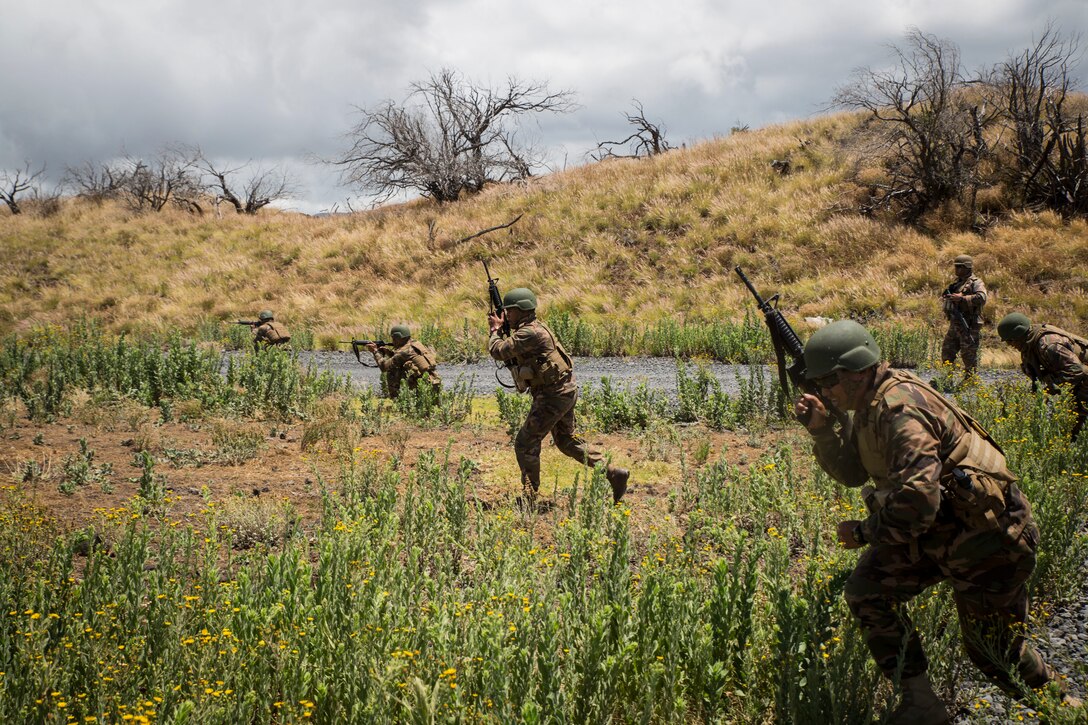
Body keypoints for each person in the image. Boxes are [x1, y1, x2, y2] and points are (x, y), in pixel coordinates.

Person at [794, 320, 1076, 723]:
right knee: (867, 591)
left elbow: (916, 503)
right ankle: (923, 706)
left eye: (826, 383)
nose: (823, 392)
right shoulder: (870, 402)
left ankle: (1064, 712)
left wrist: (863, 532)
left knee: (993, 653)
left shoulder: (900, 410)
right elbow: (857, 473)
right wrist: (823, 432)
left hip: (989, 539)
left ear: (854, 372)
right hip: (943, 529)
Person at [487, 287, 629, 507]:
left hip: (552, 396)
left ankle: (529, 497)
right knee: (566, 441)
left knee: (525, 443)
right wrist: (505, 327)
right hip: (563, 391)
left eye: (510, 311)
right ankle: (613, 473)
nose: (507, 315)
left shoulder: (530, 333)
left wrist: (495, 330)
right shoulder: (533, 328)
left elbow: (499, 351)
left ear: (521, 310)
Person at [998, 312, 1088, 439]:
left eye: (1010, 341)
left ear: (1018, 334)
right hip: (1079, 378)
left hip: (1083, 377)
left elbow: (1077, 370)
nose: (1010, 345)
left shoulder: (1048, 345)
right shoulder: (1029, 344)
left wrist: (1052, 387)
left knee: (1077, 416)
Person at [940, 254, 987, 375]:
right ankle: (946, 378)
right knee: (947, 351)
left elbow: (982, 297)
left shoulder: (976, 282)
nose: (957, 269)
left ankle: (970, 380)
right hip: (955, 323)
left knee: (968, 354)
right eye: (956, 267)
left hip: (969, 325)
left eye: (960, 267)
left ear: (968, 268)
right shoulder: (956, 284)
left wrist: (962, 298)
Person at [366, 325, 441, 399]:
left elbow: (384, 367)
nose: (393, 341)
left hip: (421, 387)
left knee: (392, 370)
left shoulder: (404, 351)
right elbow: (404, 357)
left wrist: (375, 351)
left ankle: (397, 397)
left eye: (394, 339)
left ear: (399, 338)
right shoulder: (415, 343)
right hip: (432, 381)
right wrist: (389, 352)